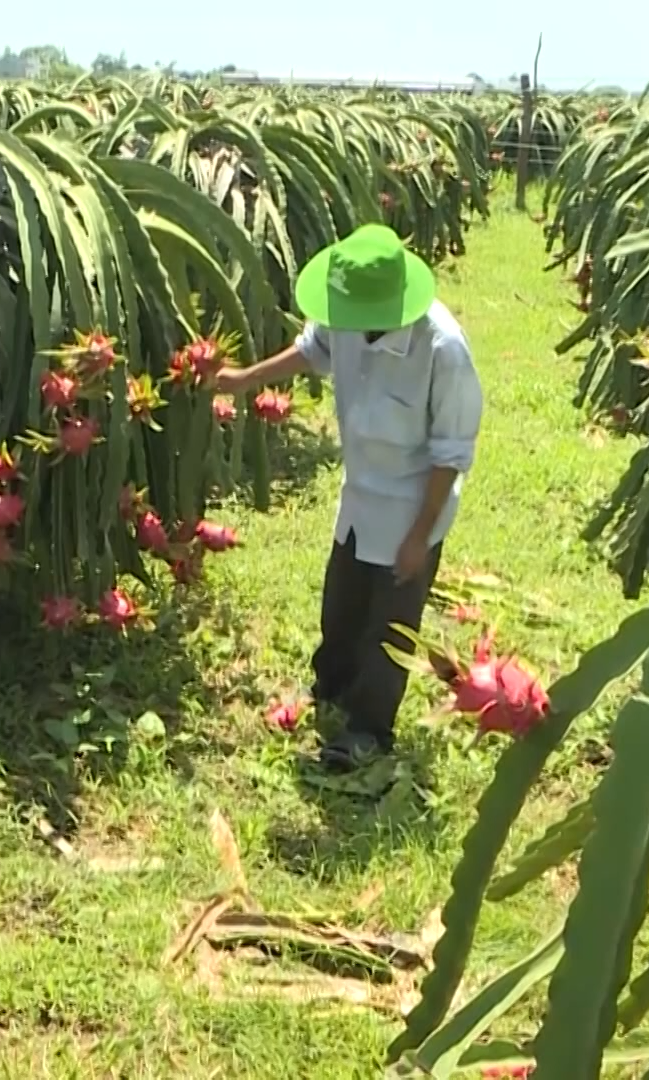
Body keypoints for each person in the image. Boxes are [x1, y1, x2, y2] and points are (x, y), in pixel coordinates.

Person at [214, 224, 484, 772]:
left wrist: (419, 536)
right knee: (341, 604)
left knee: (389, 626)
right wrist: (243, 379)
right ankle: (329, 688)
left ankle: (368, 730)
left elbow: (450, 455)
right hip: (360, 495)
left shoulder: (442, 350)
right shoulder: (345, 317)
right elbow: (310, 351)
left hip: (413, 505)